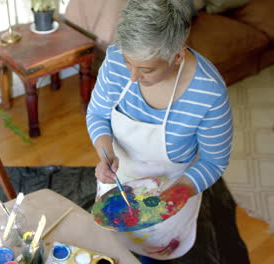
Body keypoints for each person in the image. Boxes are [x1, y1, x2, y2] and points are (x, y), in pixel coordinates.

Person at [86, 0, 233, 263]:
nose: (132, 76)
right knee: (112, 251)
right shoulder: (115, 61)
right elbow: (97, 113)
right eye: (128, 63)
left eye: (146, 69)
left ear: (176, 56)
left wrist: (174, 197)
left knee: (154, 254)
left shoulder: (208, 94)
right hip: (117, 184)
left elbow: (214, 161)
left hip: (172, 192)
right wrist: (105, 152)